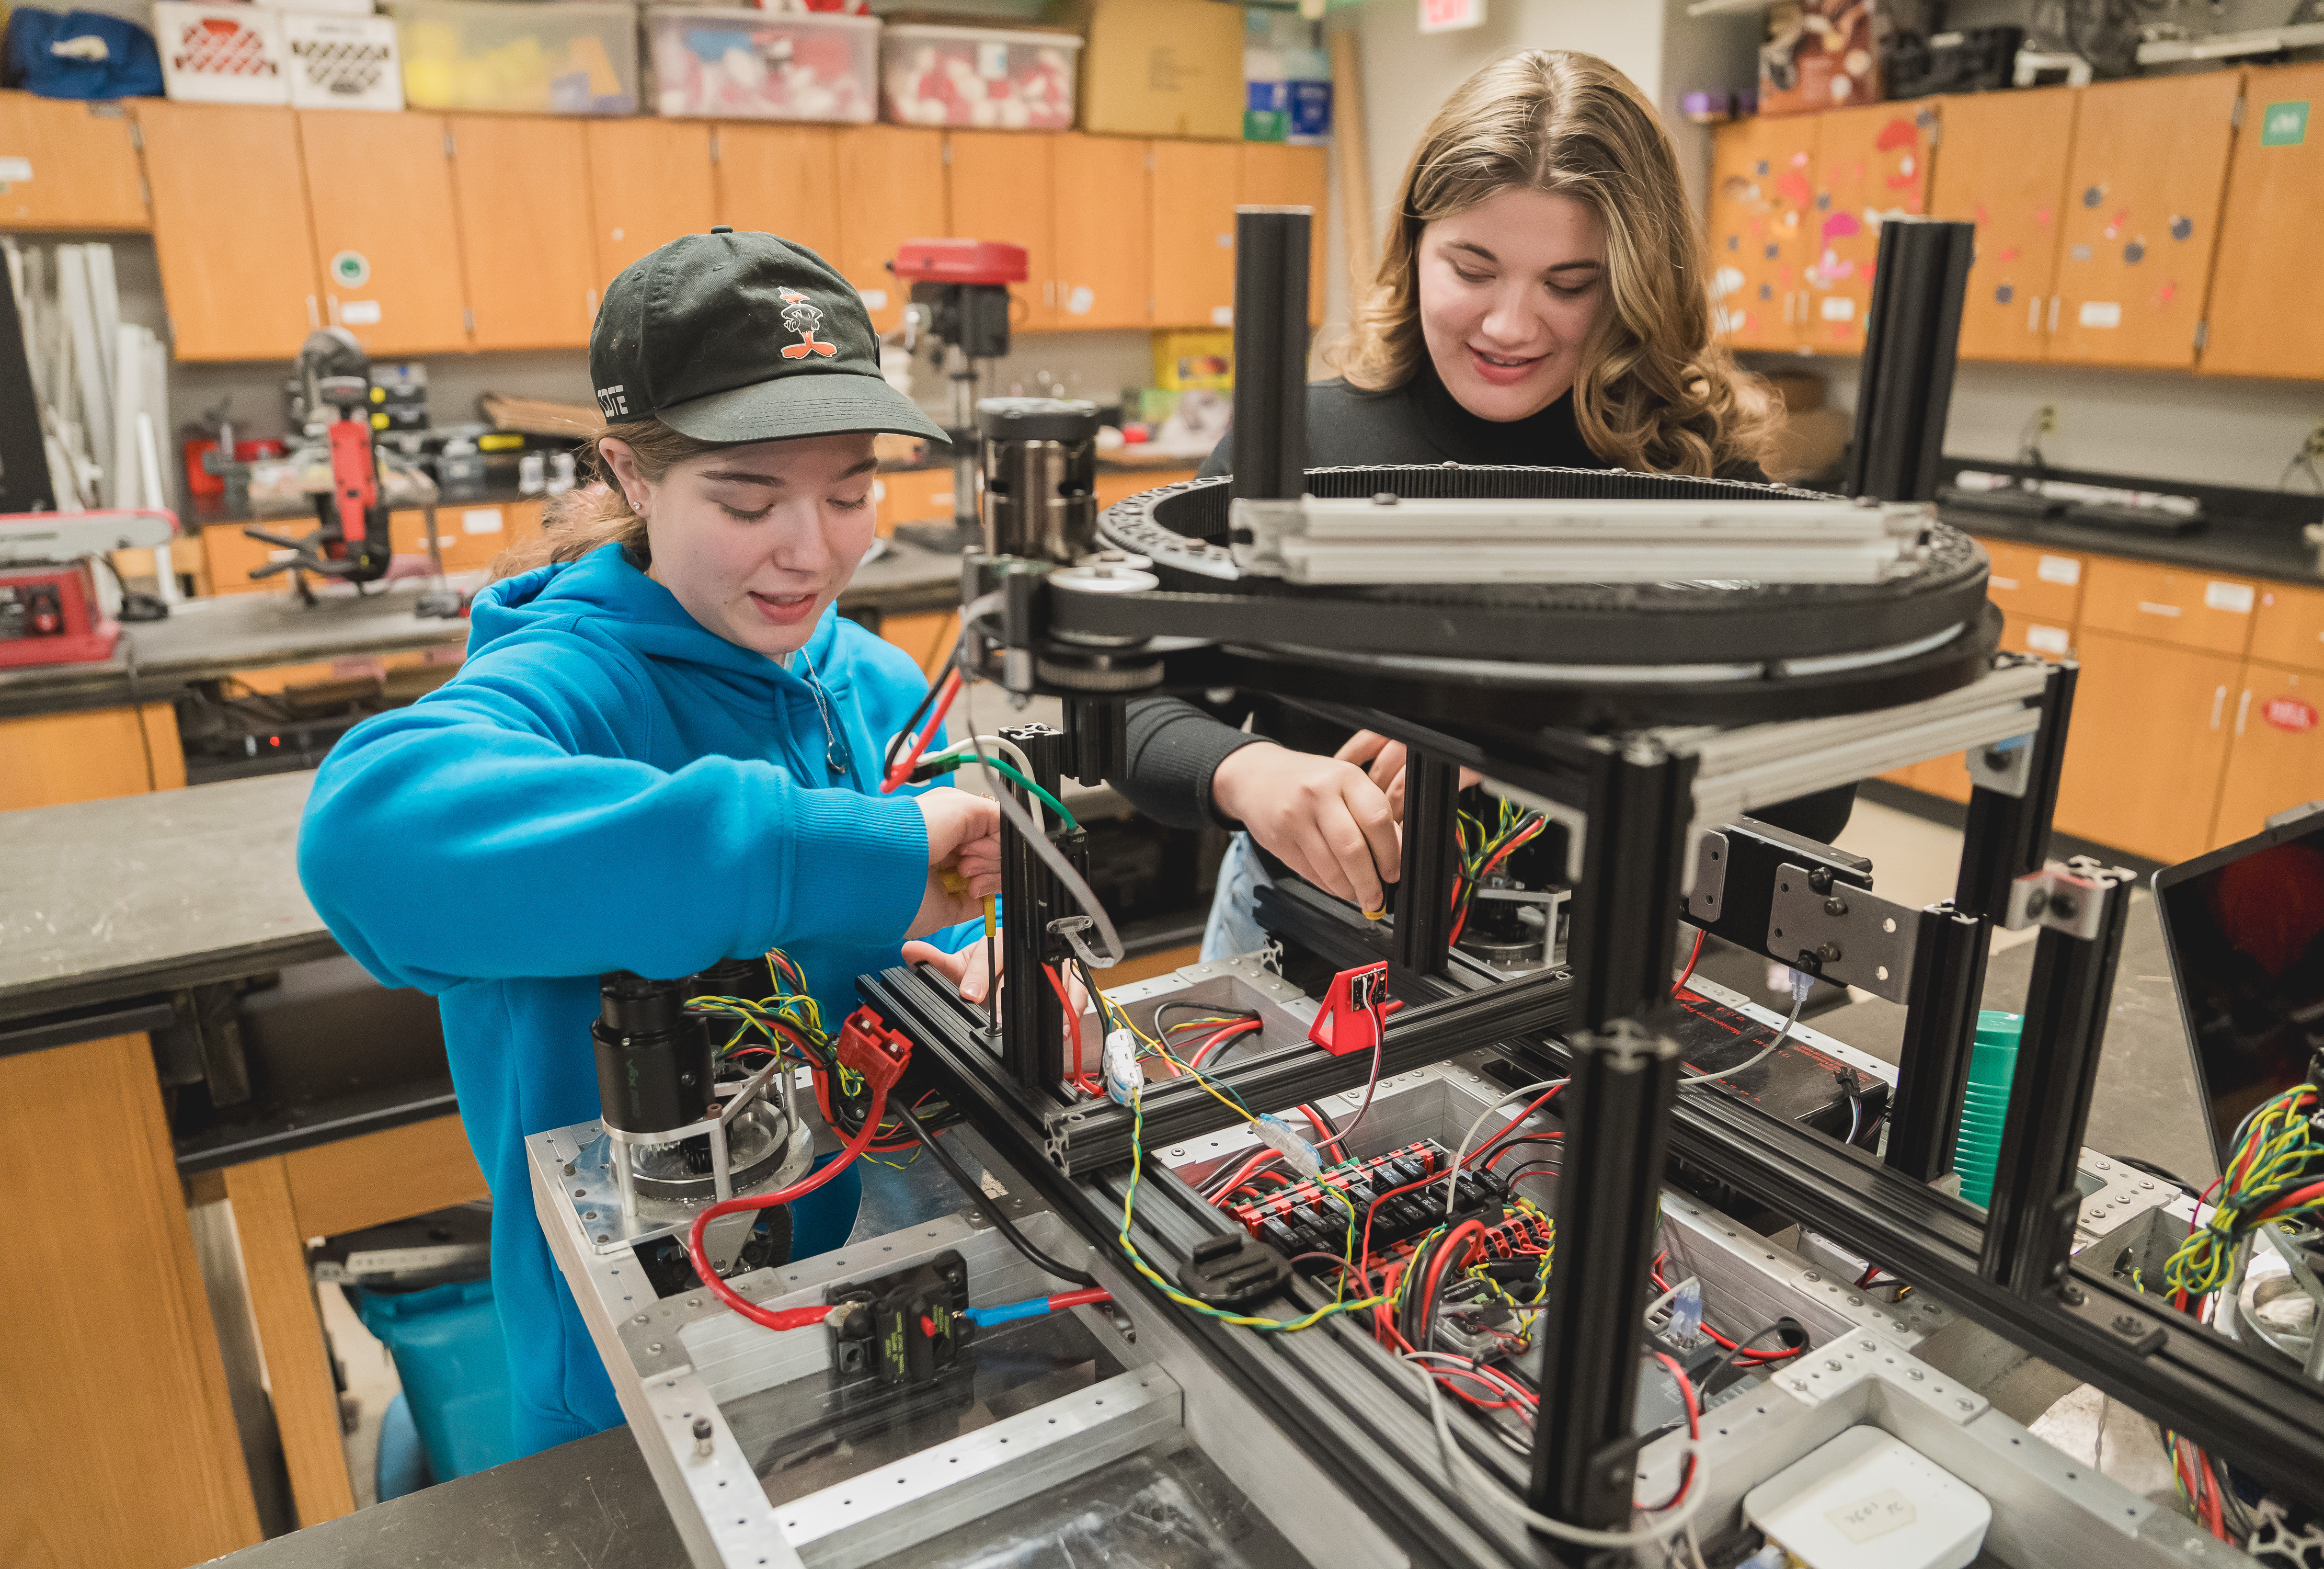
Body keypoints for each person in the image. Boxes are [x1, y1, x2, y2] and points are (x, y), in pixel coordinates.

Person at [296, 229, 1003, 1456]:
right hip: (639, 1361)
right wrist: (816, 858)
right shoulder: (576, 683)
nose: (813, 549)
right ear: (629, 473)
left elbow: (959, 861)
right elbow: (367, 836)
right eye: (747, 499)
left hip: (865, 1276)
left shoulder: (867, 675)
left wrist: (981, 948)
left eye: (847, 493)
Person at [1114, 49, 1832, 959]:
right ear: (1413, 247)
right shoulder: (1300, 444)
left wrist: (1524, 739)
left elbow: (1814, 796)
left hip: (1589, 966)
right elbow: (1130, 704)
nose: (1509, 326)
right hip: (1299, 941)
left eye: (1571, 285)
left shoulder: (1701, 478)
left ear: (1639, 284)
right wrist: (1244, 770)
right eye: (1473, 267)